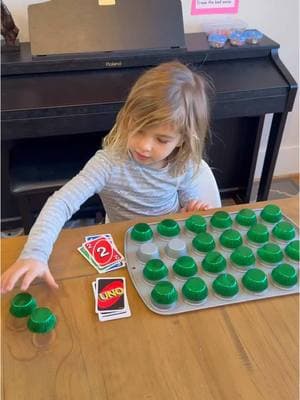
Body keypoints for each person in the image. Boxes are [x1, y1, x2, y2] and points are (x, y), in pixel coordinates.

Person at [1, 61, 221, 294]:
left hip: (165, 243)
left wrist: (191, 209)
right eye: (138, 130)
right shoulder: (107, 164)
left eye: (162, 140)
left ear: (183, 140)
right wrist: (35, 253)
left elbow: (187, 198)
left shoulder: (182, 163)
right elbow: (61, 202)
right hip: (122, 241)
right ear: (126, 118)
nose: (145, 146)